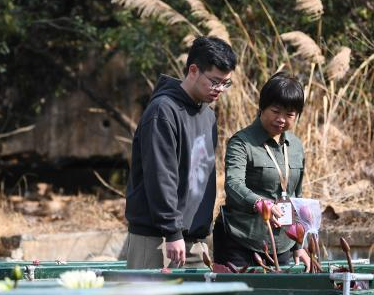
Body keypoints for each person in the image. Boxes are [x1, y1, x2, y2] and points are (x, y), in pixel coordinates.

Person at [122, 36, 237, 269]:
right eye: (215, 81)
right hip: (158, 239)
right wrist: (172, 231)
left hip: (195, 241)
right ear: (193, 70)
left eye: (226, 83)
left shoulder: (208, 116)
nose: (220, 90)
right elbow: (160, 175)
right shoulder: (162, 111)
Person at [214, 73, 311, 268]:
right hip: (241, 240)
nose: (281, 119)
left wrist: (300, 244)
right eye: (276, 111)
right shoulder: (241, 142)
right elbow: (233, 184)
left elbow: (296, 196)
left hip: (283, 243)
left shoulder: (296, 146)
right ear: (262, 108)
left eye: (290, 114)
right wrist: (259, 203)